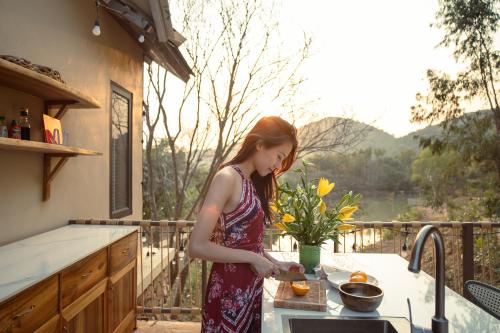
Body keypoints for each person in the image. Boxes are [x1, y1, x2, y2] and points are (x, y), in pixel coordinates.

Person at [188, 116, 304, 333]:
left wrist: (278, 264)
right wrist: (253, 258)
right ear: (260, 144)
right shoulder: (227, 178)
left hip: (250, 290)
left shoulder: (251, 182)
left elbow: (249, 244)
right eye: (278, 157)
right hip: (228, 294)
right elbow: (197, 246)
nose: (278, 166)